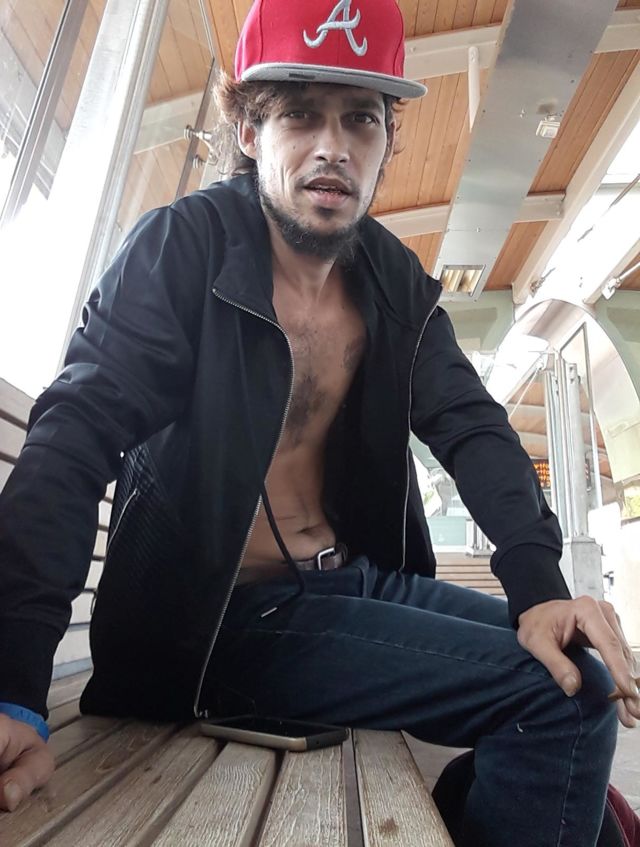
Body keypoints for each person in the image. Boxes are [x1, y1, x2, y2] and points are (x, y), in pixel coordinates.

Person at [0, 0, 638, 843]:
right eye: (301, 113)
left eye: (360, 118)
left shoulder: (392, 281)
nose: (333, 146)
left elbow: (474, 427)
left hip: (351, 585)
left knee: (573, 672)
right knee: (564, 704)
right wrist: (14, 679)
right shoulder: (182, 249)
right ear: (250, 130)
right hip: (214, 627)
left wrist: (541, 588)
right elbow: (74, 435)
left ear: (388, 142)